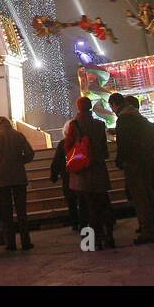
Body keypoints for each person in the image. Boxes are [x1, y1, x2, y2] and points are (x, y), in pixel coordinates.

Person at [110, 92, 154, 242]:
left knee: (141, 197)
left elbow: (125, 144)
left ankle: (149, 230)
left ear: (114, 105)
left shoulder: (124, 119)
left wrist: (120, 160)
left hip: (135, 163)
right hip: (147, 160)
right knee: (151, 194)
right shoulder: (137, 117)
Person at [63, 96, 114, 249]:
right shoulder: (99, 124)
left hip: (82, 174)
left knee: (86, 208)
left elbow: (67, 148)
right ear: (90, 106)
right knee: (103, 205)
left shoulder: (74, 125)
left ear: (78, 107)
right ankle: (109, 237)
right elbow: (105, 151)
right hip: (99, 170)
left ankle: (92, 242)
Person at [0, 115, 35, 251]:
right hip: (19, 178)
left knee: (6, 213)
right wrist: (20, 161)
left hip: (2, 180)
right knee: (21, 211)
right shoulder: (19, 135)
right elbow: (30, 153)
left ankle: (11, 243)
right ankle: (26, 241)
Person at [49, 136, 80, 232]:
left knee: (71, 201)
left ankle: (75, 223)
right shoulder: (81, 140)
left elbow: (57, 160)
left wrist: (54, 175)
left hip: (67, 175)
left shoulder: (63, 143)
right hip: (81, 173)